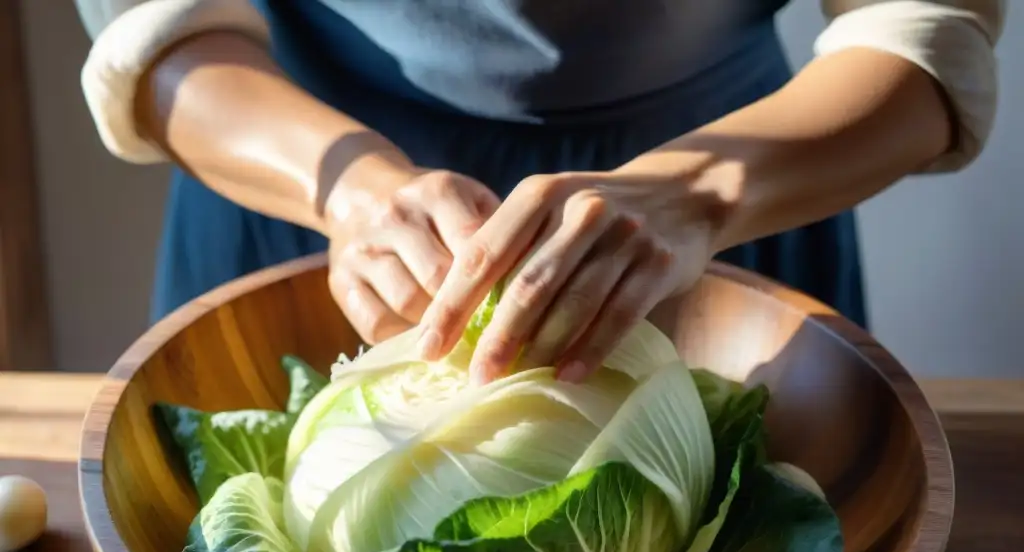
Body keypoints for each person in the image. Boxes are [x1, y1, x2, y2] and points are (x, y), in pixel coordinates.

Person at [75, 0, 1003, 386]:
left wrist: (698, 192)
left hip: (724, 225)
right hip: (306, 216)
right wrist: (355, 191)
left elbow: (923, 36)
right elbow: (157, 27)